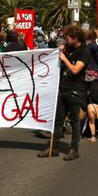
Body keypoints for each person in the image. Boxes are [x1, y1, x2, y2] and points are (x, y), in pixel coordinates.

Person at [38, 25, 91, 161]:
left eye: (68, 38)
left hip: (75, 90)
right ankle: (53, 147)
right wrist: (59, 52)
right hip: (63, 88)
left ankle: (74, 149)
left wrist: (64, 58)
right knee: (58, 120)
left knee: (74, 121)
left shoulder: (84, 51)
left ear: (75, 38)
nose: (66, 40)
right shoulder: (69, 49)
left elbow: (75, 70)